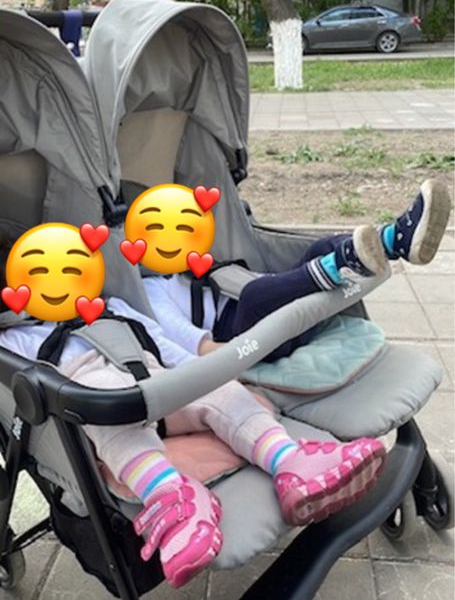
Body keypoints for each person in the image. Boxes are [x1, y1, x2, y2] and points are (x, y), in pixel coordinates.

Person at [0, 234, 386, 589]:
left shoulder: (113, 307)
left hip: (157, 381)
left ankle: (291, 463)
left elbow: (163, 344)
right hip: (98, 404)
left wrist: (206, 374)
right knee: (107, 407)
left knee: (223, 392)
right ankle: (171, 496)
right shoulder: (15, 338)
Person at [142, 179, 451, 360]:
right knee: (254, 294)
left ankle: (394, 240)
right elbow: (205, 350)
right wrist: (246, 357)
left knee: (317, 248)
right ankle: (342, 263)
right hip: (243, 332)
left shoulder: (189, 266)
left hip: (274, 299)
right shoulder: (150, 294)